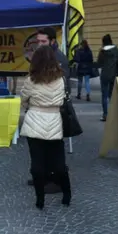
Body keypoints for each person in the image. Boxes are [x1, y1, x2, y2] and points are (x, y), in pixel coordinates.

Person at [20, 46, 71, 210]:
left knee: (37, 164)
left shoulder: (30, 80)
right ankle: (67, 194)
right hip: (55, 121)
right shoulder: (61, 79)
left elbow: (23, 100)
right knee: (59, 163)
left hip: (34, 121)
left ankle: (40, 199)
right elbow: (63, 100)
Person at [96, 34, 118, 122]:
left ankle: (105, 114)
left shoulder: (102, 51)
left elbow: (99, 63)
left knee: (104, 96)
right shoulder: (116, 50)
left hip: (104, 75)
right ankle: (113, 115)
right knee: (112, 95)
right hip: (114, 75)